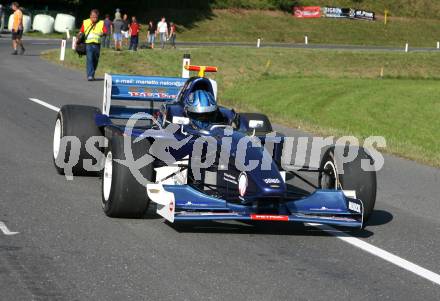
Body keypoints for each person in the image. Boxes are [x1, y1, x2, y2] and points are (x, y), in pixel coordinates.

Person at [78, 9, 107, 81]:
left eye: (96, 17)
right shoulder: (86, 22)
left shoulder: (101, 23)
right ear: (90, 16)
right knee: (89, 59)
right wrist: (79, 36)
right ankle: (90, 75)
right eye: (93, 17)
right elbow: (81, 31)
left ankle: (92, 73)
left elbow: (106, 32)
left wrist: (102, 33)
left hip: (97, 44)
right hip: (88, 44)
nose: (95, 18)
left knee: (95, 60)